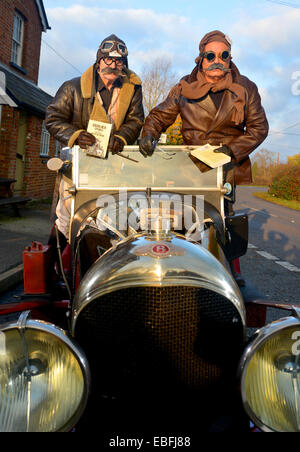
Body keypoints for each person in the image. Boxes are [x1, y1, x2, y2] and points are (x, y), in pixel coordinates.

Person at [139, 30, 269, 285]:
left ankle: (229, 272)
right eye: (211, 55)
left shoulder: (246, 87)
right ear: (200, 58)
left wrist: (230, 152)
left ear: (230, 58)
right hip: (191, 166)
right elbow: (158, 116)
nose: (217, 60)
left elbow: (259, 128)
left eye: (224, 55)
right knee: (184, 218)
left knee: (222, 219)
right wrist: (149, 133)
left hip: (226, 165)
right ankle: (180, 270)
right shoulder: (184, 87)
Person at [45, 34, 144, 253]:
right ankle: (57, 269)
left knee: (115, 219)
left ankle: (106, 267)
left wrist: (121, 137)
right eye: (108, 59)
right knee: (68, 217)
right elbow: (52, 119)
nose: (113, 65)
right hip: (80, 166)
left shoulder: (133, 89)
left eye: (119, 61)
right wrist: (76, 135)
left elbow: (137, 121)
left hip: (116, 166)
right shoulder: (72, 87)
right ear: (98, 61)